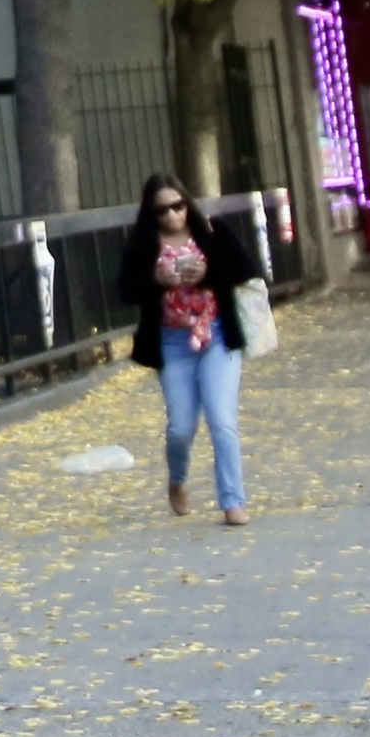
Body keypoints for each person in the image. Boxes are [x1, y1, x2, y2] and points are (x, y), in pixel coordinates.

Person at [109, 175, 266, 524]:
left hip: (217, 335)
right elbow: (125, 290)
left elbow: (246, 269)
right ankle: (178, 480)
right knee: (181, 427)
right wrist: (156, 280)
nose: (171, 215)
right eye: (161, 210)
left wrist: (208, 272)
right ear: (151, 214)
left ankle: (232, 500)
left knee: (222, 420)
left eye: (177, 206)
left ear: (187, 203)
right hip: (173, 342)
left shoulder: (212, 231)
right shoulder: (143, 245)